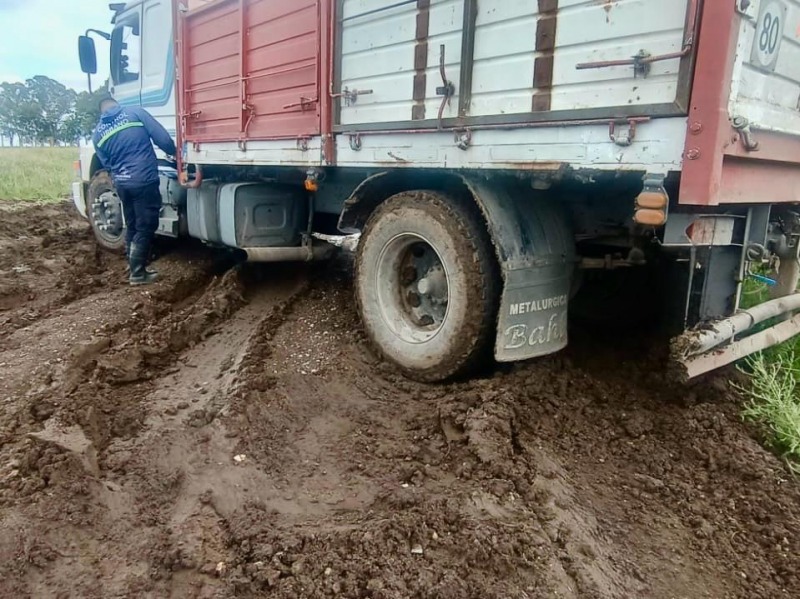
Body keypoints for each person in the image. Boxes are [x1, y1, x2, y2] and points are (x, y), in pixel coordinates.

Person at [92, 96, 176, 286]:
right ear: (117, 106)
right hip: (143, 180)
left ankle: (132, 265)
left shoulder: (97, 133)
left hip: (121, 183)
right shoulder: (135, 113)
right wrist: (174, 152)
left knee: (131, 224)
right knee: (146, 225)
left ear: (102, 112)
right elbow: (162, 138)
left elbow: (106, 163)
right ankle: (138, 273)